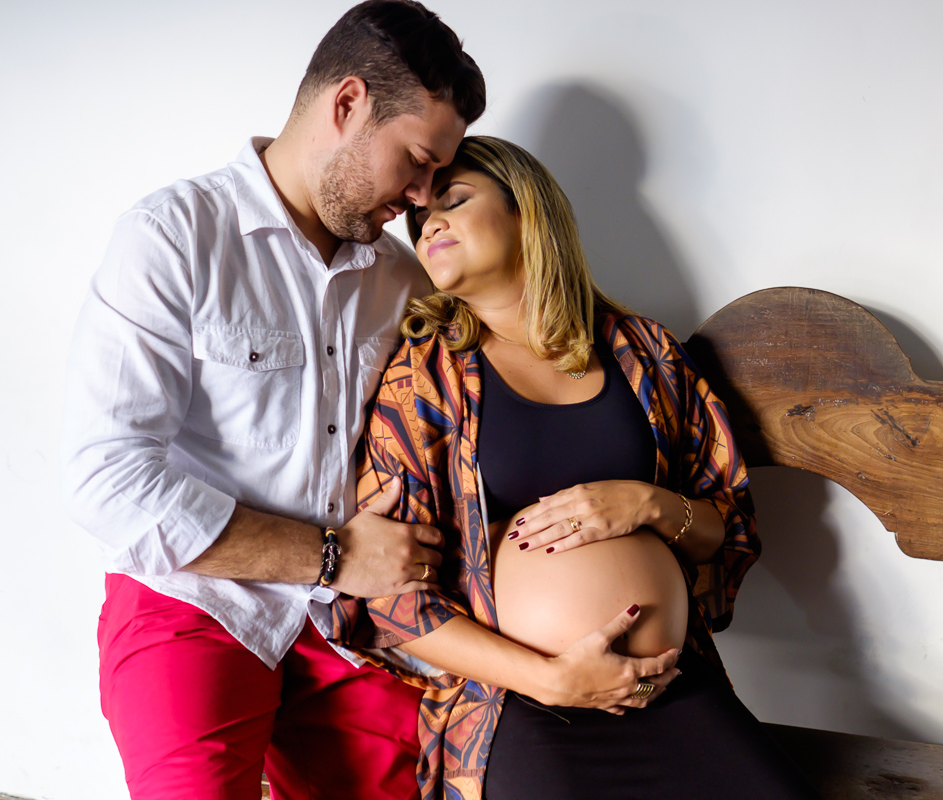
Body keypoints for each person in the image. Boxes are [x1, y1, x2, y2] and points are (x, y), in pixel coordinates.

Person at [60, 3, 486, 798]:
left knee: (473, 770)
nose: (425, 195)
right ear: (348, 104)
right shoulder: (172, 237)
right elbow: (105, 481)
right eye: (418, 161)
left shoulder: (402, 279)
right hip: (190, 603)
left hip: (346, 623)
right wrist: (333, 554)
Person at [331, 136, 822, 799]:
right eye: (420, 221)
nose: (430, 224)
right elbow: (394, 599)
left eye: (454, 201)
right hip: (517, 704)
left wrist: (648, 503)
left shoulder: (647, 354)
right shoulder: (422, 382)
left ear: (526, 210)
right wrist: (554, 679)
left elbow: (729, 526)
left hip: (669, 685)